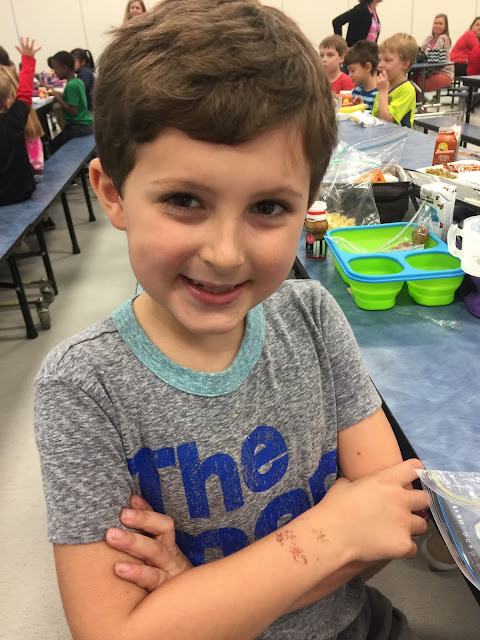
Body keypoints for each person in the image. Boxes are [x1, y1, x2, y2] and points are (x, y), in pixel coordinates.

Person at [34, 2, 429, 639]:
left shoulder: (313, 318)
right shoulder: (84, 387)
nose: (224, 253)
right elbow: (115, 632)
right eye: (184, 200)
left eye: (268, 207)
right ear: (112, 194)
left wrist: (195, 600)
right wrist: (334, 533)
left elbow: (392, 523)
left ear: (307, 204)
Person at [0, 37, 40, 206]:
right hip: (23, 190)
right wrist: (28, 59)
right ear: (9, 101)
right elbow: (25, 91)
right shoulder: (16, 117)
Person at [1, 64, 45, 181]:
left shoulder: (14, 120)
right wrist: (28, 60)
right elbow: (25, 91)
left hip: (22, 180)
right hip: (28, 179)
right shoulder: (20, 116)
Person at [48, 51, 92, 152]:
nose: (55, 72)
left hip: (77, 127)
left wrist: (58, 99)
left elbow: (73, 111)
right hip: (85, 123)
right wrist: (59, 94)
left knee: (53, 146)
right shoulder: (77, 81)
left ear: (64, 68)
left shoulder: (71, 85)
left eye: (56, 68)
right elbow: (72, 97)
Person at [372, 33, 418, 128]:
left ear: (405, 64)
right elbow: (376, 116)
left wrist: (383, 91)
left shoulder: (407, 89)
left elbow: (387, 120)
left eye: (387, 60)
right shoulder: (385, 85)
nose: (380, 65)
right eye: (380, 60)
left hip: (400, 136)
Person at [412, 14, 454, 94]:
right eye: (435, 23)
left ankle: (421, 101)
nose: (437, 26)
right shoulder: (429, 38)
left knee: (418, 83)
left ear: (445, 27)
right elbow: (421, 51)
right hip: (428, 71)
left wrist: (423, 54)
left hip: (444, 72)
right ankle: (419, 101)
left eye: (440, 24)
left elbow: (431, 54)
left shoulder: (444, 38)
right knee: (413, 77)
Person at [345, 40, 379, 110]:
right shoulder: (355, 92)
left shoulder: (380, 95)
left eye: (352, 70)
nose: (349, 75)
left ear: (367, 67)